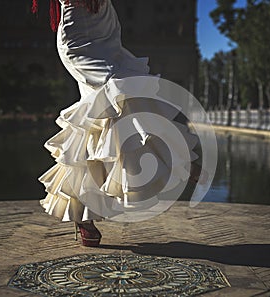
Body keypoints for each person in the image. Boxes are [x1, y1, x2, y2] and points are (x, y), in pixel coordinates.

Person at [33, 0, 202, 247]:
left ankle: (82, 214)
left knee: (95, 119)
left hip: (106, 26)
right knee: (121, 90)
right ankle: (180, 159)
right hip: (78, 33)